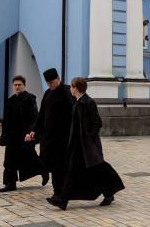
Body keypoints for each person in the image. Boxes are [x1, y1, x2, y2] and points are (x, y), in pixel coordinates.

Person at [49, 77, 125, 211]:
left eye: (71, 87)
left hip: (87, 146)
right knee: (72, 171)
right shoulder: (77, 103)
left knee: (98, 169)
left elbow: (97, 123)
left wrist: (88, 138)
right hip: (77, 146)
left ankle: (108, 193)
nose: (70, 89)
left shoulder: (89, 102)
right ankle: (62, 200)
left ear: (76, 88)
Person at [25, 68, 73, 202]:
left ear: (58, 79)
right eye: (49, 83)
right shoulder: (47, 94)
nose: (51, 85)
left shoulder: (68, 92)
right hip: (48, 138)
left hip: (62, 139)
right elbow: (42, 115)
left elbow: (73, 116)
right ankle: (58, 193)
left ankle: (59, 194)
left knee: (59, 167)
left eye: (52, 82)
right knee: (51, 165)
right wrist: (34, 130)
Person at [0, 75, 48, 192]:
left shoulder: (30, 98)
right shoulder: (10, 101)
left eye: (19, 85)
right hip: (12, 136)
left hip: (25, 136)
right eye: (15, 85)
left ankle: (44, 171)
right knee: (9, 160)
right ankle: (10, 184)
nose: (17, 87)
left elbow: (34, 117)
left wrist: (30, 132)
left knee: (30, 157)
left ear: (24, 85)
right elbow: (6, 120)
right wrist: (4, 136)